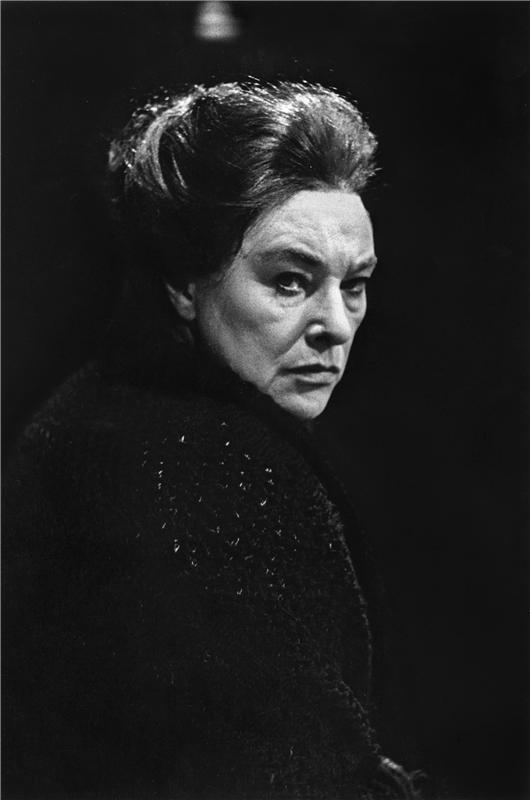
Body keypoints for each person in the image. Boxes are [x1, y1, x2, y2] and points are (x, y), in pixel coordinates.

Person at [3, 81, 421, 799]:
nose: (336, 324)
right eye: (290, 281)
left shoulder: (98, 414)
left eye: (354, 284)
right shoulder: (214, 467)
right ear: (183, 283)